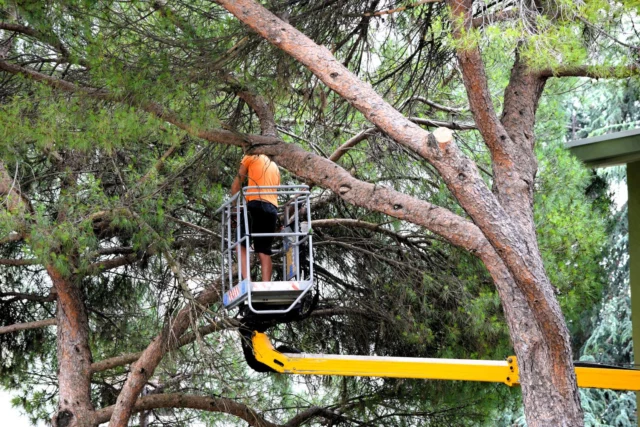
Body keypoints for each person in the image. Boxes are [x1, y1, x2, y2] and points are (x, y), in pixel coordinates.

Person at [230, 154, 280, 282]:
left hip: (255, 204)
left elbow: (236, 185)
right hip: (272, 208)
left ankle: (247, 281)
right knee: (264, 251)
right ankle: (266, 286)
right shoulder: (274, 166)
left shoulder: (250, 156)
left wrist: (235, 208)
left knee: (240, 244)